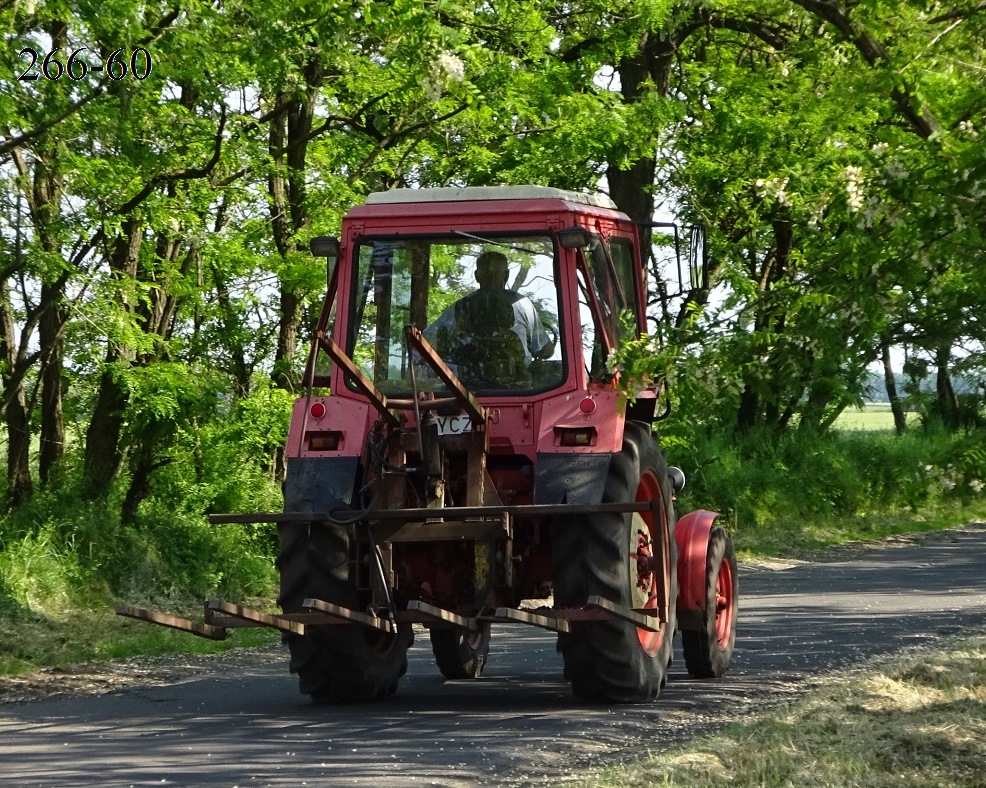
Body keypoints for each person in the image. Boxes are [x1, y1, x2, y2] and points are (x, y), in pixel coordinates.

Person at [423, 251, 555, 375]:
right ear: (507, 275)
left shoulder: (460, 308)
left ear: (477, 276)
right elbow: (544, 349)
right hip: (516, 389)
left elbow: (427, 342)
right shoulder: (522, 305)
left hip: (467, 389)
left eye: (494, 275)